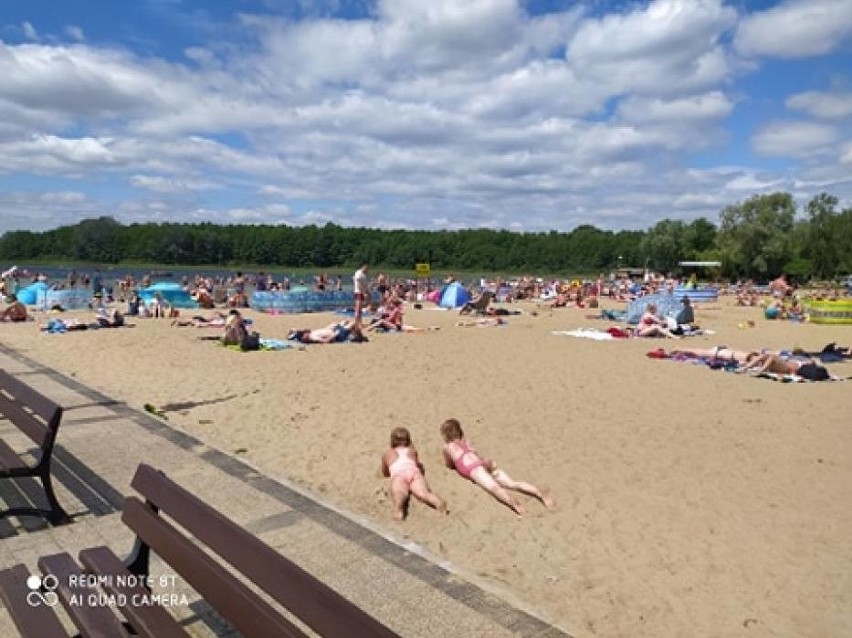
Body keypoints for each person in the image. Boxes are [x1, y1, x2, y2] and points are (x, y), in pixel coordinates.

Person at [440, 418, 554, 517]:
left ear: (445, 435)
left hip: (474, 469)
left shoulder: (447, 447)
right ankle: (541, 494)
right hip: (484, 462)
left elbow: (449, 465)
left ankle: (517, 506)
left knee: (495, 489)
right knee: (512, 483)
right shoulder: (466, 441)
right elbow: (474, 453)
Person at [380, 427, 447, 521]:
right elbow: (416, 464)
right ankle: (437, 502)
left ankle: (399, 509)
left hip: (399, 474)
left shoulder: (388, 453)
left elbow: (385, 472)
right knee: (423, 493)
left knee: (399, 493)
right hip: (414, 472)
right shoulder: (412, 451)